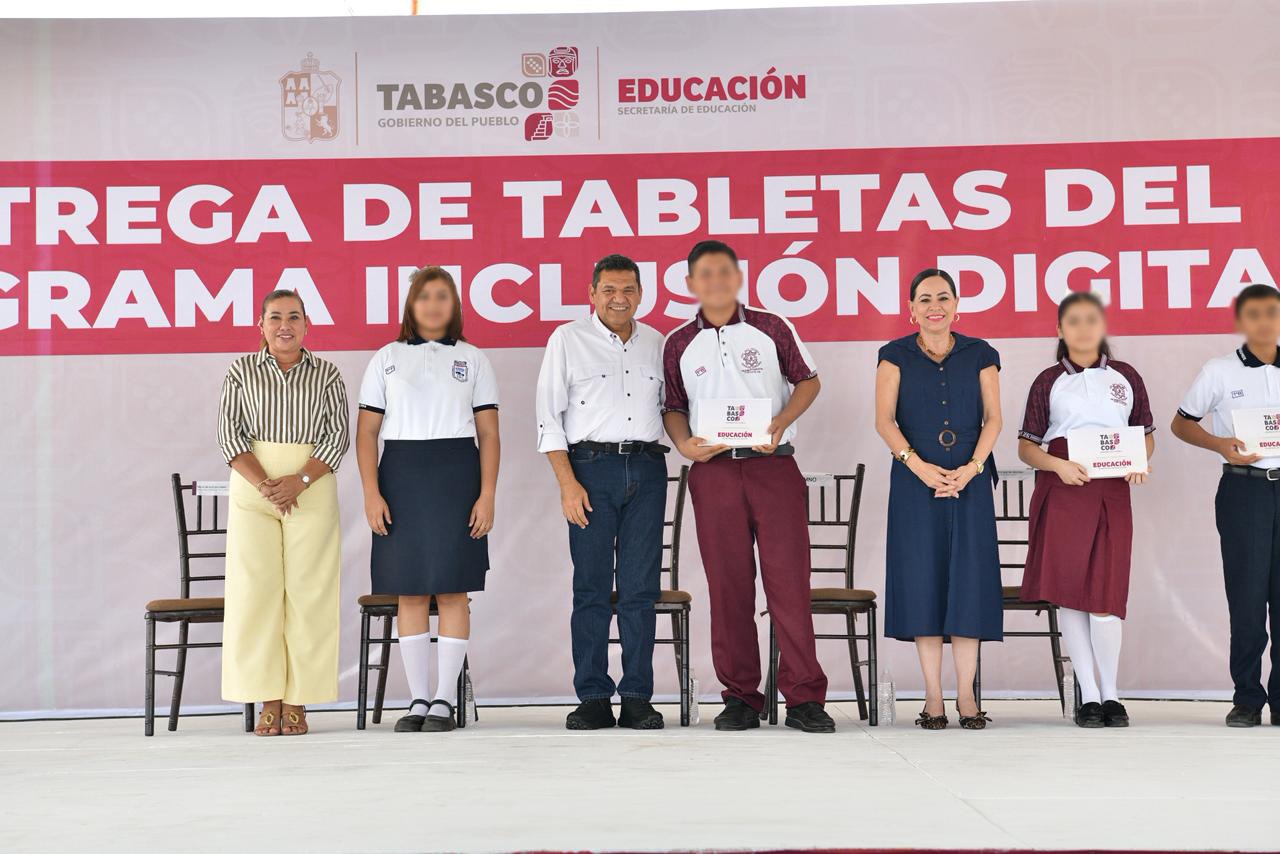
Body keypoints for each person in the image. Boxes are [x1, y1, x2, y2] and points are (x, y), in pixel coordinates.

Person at [662, 239, 834, 734]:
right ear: (691, 283)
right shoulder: (678, 343)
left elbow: (808, 381)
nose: (715, 280)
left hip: (772, 467)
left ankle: (803, 697)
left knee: (789, 584)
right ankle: (740, 696)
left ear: (738, 278)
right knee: (728, 586)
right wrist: (683, 446)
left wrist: (778, 422)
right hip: (713, 474)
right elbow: (673, 407)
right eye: (705, 274)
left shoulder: (771, 327)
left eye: (724, 271)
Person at [355, 266, 500, 733]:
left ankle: (443, 699)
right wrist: (372, 492)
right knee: (410, 589)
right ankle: (418, 698)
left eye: (443, 296)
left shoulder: (474, 359)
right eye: (425, 296)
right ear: (411, 305)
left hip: (457, 472)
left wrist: (487, 495)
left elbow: (489, 433)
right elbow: (367, 433)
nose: (434, 304)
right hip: (400, 475)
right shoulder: (386, 358)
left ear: (454, 305)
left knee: (453, 588)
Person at [535, 254, 669, 731]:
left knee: (640, 590)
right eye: (609, 289)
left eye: (629, 289)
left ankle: (636, 695)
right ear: (591, 294)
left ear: (641, 293)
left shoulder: (658, 342)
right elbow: (548, 419)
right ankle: (592, 695)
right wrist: (568, 484)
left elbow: (673, 409)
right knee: (590, 588)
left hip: (650, 471)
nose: (619, 298)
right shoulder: (568, 340)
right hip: (589, 470)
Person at [1017, 292, 1154, 728]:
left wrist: (1139, 461)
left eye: (1091, 319)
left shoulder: (1127, 376)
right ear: (1059, 330)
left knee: (1107, 594)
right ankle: (1089, 697)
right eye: (1072, 321)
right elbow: (1026, 446)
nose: (1082, 328)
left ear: (1103, 326)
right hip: (1065, 490)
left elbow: (1145, 434)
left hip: (1113, 491)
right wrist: (1058, 465)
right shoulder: (1047, 381)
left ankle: (1113, 694)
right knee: (1071, 594)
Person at [873, 268, 1002, 731]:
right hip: (915, 484)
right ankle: (932, 696)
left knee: (969, 582)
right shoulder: (894, 355)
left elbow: (993, 419)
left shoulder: (981, 354)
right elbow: (885, 421)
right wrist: (918, 465)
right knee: (923, 582)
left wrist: (971, 469)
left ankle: (966, 693)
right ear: (911, 309)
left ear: (957, 304)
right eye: (924, 298)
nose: (935, 305)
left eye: (943, 297)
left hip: (968, 482)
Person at [217, 288, 350, 736]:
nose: (285, 325)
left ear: (307, 325)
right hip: (255, 490)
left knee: (309, 593)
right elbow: (228, 436)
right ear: (261, 325)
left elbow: (337, 437)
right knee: (256, 594)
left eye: (294, 317)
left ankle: (298, 699)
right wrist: (268, 486)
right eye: (275, 317)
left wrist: (299, 482)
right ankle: (267, 697)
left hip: (310, 488)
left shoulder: (328, 374)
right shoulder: (240, 371)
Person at [1171, 283, 1280, 728]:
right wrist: (1220, 444)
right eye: (1253, 314)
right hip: (1245, 489)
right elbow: (1181, 424)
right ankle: (1248, 698)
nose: (1264, 321)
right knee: (1248, 598)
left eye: (1272, 312)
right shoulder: (1219, 370)